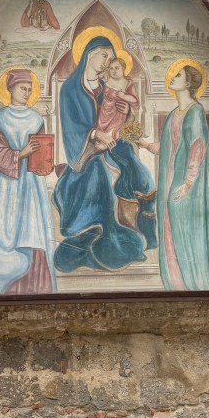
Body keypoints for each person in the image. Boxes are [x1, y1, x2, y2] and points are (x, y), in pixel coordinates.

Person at [53, 34, 156, 273]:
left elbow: (123, 120)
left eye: (110, 58)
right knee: (98, 175)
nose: (107, 62)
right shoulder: (70, 88)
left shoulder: (106, 86)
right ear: (89, 54)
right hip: (87, 153)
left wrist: (128, 112)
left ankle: (144, 233)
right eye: (103, 55)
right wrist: (95, 135)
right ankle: (97, 236)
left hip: (113, 145)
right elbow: (71, 126)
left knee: (141, 175)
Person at [139, 63, 209, 290]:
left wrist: (187, 184)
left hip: (185, 187)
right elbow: (169, 146)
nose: (173, 77)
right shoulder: (175, 113)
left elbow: (197, 148)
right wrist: (146, 145)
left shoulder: (195, 112)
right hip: (170, 183)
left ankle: (192, 283)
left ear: (188, 83)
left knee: (184, 232)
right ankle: (176, 284)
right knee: (169, 230)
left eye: (178, 75)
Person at [0, 69, 56, 296]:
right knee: (7, 229)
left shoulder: (36, 119)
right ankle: (9, 283)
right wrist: (20, 154)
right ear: (11, 89)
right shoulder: (0, 119)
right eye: (23, 88)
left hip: (32, 184)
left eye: (30, 90)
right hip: (7, 185)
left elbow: (42, 152)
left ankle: (36, 285)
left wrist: (45, 164)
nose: (27, 93)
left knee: (33, 228)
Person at [95, 57, 139, 144]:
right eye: (111, 68)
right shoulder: (106, 80)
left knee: (115, 130)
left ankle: (110, 142)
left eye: (117, 68)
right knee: (101, 128)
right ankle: (102, 141)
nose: (113, 71)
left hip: (118, 112)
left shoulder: (127, 82)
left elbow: (134, 100)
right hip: (105, 111)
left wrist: (124, 96)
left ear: (123, 69)